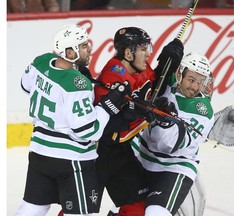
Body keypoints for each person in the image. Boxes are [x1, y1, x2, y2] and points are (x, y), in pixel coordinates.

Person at [15, 24, 129, 216]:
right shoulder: (77, 83)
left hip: (39, 154)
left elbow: (26, 86)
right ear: (69, 52)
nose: (90, 49)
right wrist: (106, 107)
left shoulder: (41, 61)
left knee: (32, 208)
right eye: (83, 46)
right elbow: (88, 131)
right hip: (70, 160)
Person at [94, 27, 184, 216]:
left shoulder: (140, 69)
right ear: (128, 53)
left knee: (138, 206)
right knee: (78, 210)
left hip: (119, 151)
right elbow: (108, 124)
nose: (148, 53)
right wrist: (141, 112)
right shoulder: (114, 74)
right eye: (143, 49)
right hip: (94, 154)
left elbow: (152, 90)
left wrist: (168, 63)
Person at [129, 51, 215, 216]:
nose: (195, 87)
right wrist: (165, 61)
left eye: (200, 82)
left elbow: (169, 145)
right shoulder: (166, 84)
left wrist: (164, 118)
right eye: (191, 80)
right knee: (123, 211)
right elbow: (146, 80)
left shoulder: (201, 109)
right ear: (179, 74)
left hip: (174, 168)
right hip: (143, 161)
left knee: (155, 213)